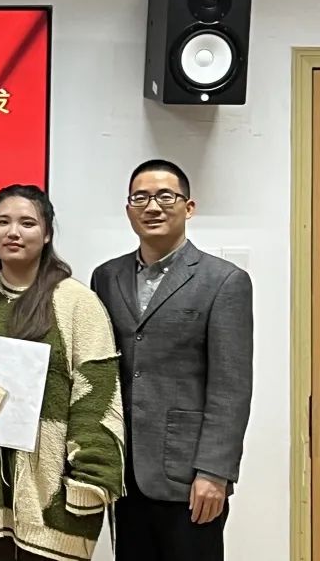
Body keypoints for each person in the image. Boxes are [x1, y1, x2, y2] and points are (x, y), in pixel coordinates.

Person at [90, 159, 253, 561]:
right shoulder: (106, 277)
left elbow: (231, 388)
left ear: (188, 207)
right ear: (128, 209)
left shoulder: (224, 280)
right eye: (140, 198)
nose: (152, 207)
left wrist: (214, 472)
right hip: (124, 471)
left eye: (165, 196)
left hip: (189, 474)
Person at [0, 184, 124, 561]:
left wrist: (89, 483)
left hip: (51, 492)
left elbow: (97, 397)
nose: (13, 232)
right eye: (2, 222)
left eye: (27, 223)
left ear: (47, 233)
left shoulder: (77, 303)